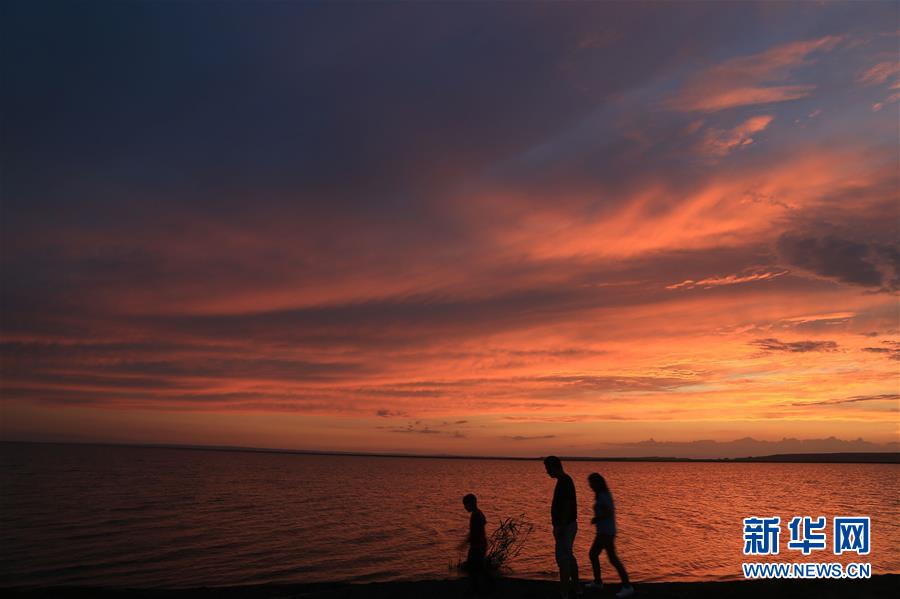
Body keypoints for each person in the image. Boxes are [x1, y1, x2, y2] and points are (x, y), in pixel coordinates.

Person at [586, 473, 634, 597]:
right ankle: (598, 582)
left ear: (598, 483)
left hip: (606, 532)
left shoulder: (603, 496)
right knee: (594, 554)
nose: (590, 485)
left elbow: (609, 511)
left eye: (591, 483)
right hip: (604, 531)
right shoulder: (602, 495)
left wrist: (597, 518)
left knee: (611, 558)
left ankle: (627, 586)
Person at [544, 456, 579, 599]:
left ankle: (564, 591)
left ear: (554, 467)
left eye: (547, 469)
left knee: (563, 558)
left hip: (566, 526)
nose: (547, 472)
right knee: (569, 557)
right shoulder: (563, 481)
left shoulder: (565, 481)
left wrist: (562, 526)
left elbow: (568, 505)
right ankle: (576, 588)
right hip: (566, 525)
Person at [460, 493, 491, 595]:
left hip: (477, 546)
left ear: (472, 503)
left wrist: (464, 543)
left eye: (466, 505)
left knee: (473, 569)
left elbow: (474, 532)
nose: (465, 507)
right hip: (480, 545)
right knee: (478, 567)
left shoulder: (476, 515)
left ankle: (476, 590)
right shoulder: (479, 513)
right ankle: (483, 587)